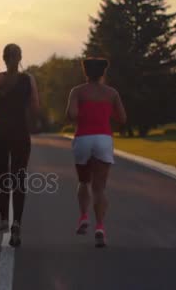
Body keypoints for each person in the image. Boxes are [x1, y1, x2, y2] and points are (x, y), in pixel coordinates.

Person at [66, 58, 126, 248]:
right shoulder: (112, 93)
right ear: (102, 73)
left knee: (84, 181)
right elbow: (122, 118)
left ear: (86, 72)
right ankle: (100, 227)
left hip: (83, 138)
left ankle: (83, 216)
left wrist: (81, 111)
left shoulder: (77, 91)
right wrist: (106, 112)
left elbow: (72, 115)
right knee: (99, 188)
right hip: (103, 139)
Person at [0, 43, 39, 247]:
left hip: (0, 130)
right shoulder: (28, 79)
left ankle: (3, 220)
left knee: (2, 175)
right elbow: (35, 106)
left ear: (4, 58)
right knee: (19, 177)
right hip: (19, 131)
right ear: (20, 57)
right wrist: (28, 119)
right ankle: (17, 223)